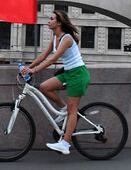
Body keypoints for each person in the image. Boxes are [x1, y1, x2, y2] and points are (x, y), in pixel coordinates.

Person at [21, 10, 91, 155]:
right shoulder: (55, 38)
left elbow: (52, 60)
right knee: (44, 87)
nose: (49, 21)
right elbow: (43, 55)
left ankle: (65, 144)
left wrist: (35, 71)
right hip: (68, 73)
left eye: (51, 19)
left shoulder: (67, 38)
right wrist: (30, 67)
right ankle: (63, 108)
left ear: (59, 22)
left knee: (73, 110)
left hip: (78, 74)